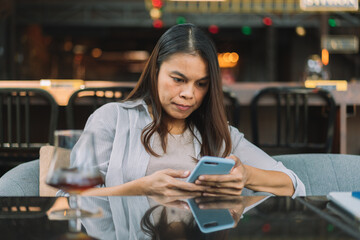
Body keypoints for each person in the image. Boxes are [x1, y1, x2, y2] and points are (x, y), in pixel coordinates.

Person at [71, 23, 305, 197]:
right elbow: (69, 196)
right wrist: (141, 189)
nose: (189, 94)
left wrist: (247, 176)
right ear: (155, 72)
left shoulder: (219, 134)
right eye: (178, 79)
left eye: (201, 84)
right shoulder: (111, 119)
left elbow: (293, 184)